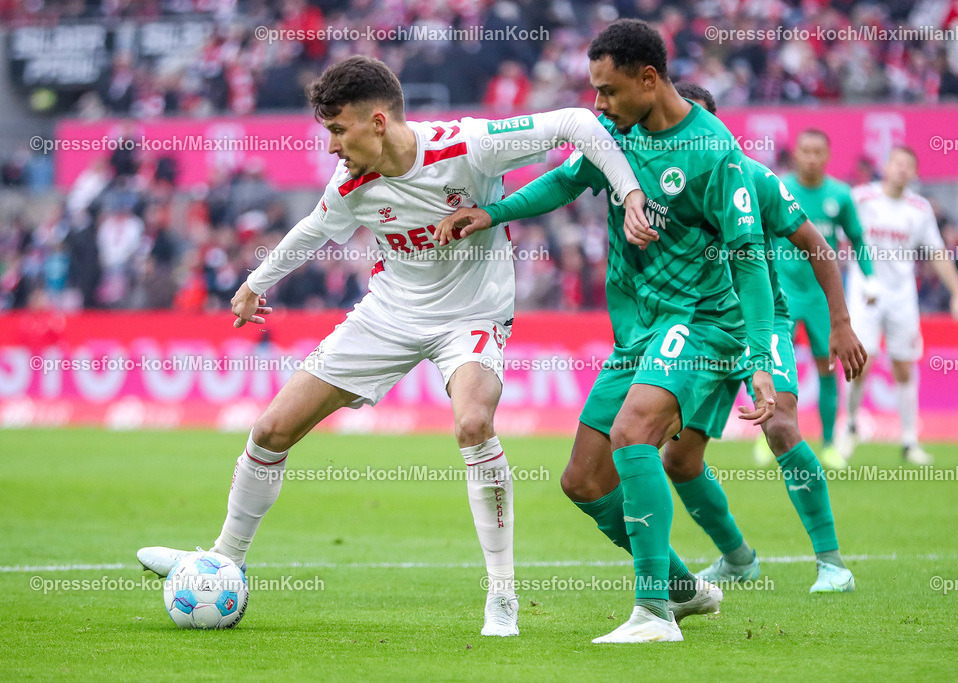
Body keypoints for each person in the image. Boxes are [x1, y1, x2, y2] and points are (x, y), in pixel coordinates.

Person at [137, 55, 648, 638]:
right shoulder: (352, 182)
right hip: (388, 313)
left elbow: (580, 125)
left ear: (377, 122)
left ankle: (502, 596)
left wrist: (629, 194)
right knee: (271, 431)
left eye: (337, 130)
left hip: (472, 315)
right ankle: (226, 558)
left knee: (473, 424)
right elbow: (314, 229)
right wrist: (255, 284)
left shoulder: (470, 144)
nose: (331, 146)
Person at [436, 19, 777, 644]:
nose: (598, 105)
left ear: (649, 79)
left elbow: (751, 259)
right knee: (584, 481)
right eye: (594, 92)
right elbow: (565, 181)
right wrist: (493, 210)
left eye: (609, 91)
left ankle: (653, 614)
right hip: (638, 333)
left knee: (633, 435)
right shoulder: (614, 134)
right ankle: (682, 587)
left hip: (703, 322)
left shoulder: (714, 151)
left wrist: (759, 357)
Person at [661, 83, 864, 593]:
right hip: (703, 326)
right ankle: (737, 558)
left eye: (699, 123)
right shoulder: (660, 184)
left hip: (762, 321)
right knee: (678, 458)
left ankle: (832, 563)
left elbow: (818, 246)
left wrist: (840, 322)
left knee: (779, 424)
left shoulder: (755, 178)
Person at [840, 146, 958, 465]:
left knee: (904, 365)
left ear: (914, 173)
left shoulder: (919, 208)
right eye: (897, 163)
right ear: (886, 166)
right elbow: (833, 232)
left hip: (902, 298)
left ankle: (910, 441)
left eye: (908, 166)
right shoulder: (861, 198)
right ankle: (851, 425)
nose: (902, 170)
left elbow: (937, 252)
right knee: (861, 364)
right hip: (864, 294)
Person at [773, 129, 878, 469]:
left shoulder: (840, 195)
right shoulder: (778, 188)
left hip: (822, 296)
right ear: (797, 154)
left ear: (828, 155)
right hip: (783, 292)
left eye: (818, 151)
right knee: (773, 366)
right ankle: (770, 436)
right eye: (805, 151)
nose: (812, 158)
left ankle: (830, 442)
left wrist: (870, 278)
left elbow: (858, 239)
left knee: (827, 367)